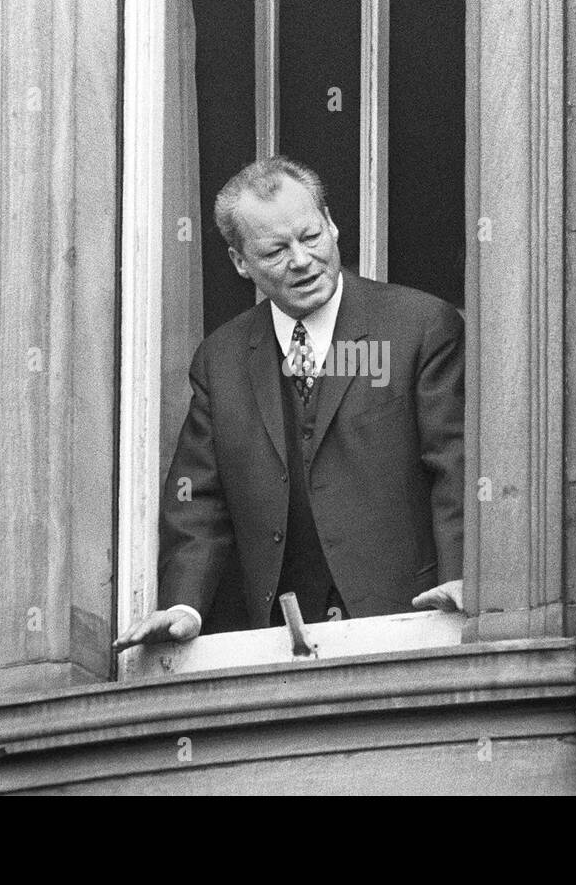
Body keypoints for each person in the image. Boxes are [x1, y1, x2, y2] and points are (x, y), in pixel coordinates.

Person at [115, 156, 464, 650]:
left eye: (311, 236)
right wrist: (184, 605)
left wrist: (461, 576)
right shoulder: (222, 359)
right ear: (240, 263)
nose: (301, 260)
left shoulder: (420, 326)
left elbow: (455, 467)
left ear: (333, 226)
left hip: (410, 624)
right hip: (277, 644)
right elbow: (198, 498)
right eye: (276, 250)